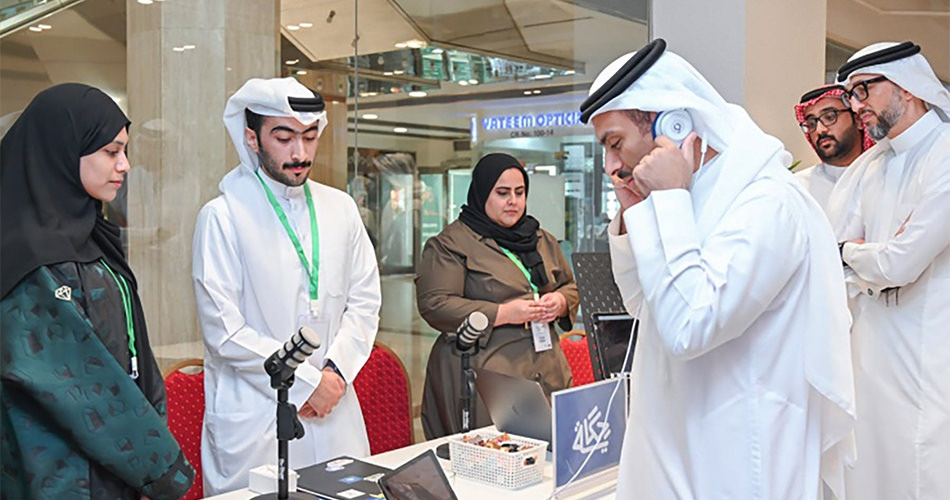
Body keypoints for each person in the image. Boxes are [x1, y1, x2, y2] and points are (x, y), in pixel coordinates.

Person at [580, 39, 856, 499]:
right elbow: (645, 306)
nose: (610, 165)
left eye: (615, 144)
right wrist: (635, 214)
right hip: (676, 435)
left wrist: (667, 201)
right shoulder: (694, 195)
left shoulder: (767, 204)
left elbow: (691, 325)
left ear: (673, 122)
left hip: (739, 452)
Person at [0, 83, 194, 500]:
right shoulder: (30, 258)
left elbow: (130, 349)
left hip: (114, 470)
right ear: (64, 150)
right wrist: (162, 468)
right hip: (60, 477)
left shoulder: (91, 237)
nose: (124, 165)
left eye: (125, 151)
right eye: (110, 152)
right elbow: (79, 383)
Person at [192, 78, 381, 494]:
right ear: (251, 138)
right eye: (284, 138)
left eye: (310, 137)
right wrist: (309, 384)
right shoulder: (222, 217)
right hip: (256, 414)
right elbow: (224, 332)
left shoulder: (341, 208)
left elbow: (364, 304)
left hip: (334, 406)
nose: (300, 153)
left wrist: (333, 374)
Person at [826, 41, 950, 500]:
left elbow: (902, 261)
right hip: (869, 347)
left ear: (906, 87)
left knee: (923, 467)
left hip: (926, 349)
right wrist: (861, 254)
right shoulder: (871, 166)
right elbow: (830, 250)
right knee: (869, 471)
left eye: (864, 91)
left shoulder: (945, 154)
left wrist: (856, 255)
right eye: (852, 95)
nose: (856, 107)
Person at [415, 153, 579, 439]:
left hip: (546, 366)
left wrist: (561, 302)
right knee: (493, 459)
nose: (513, 201)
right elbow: (435, 303)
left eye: (520, 192)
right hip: (485, 375)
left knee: (550, 456)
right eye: (502, 193)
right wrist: (503, 314)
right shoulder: (451, 244)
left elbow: (570, 285)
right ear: (481, 193)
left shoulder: (540, 238)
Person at [793, 84, 873, 212]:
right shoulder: (798, 188)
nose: (820, 130)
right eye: (812, 123)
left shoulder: (884, 176)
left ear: (857, 119)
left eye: (830, 117)